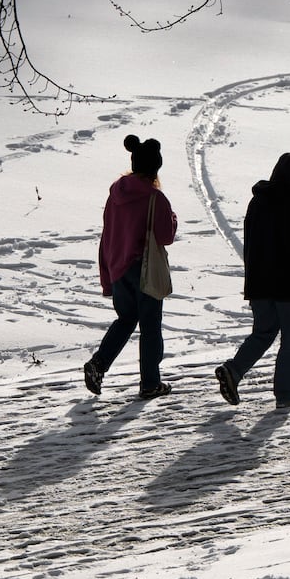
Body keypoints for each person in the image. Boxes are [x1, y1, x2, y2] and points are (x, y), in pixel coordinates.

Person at [214, 152, 290, 408]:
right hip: (289, 286)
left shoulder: (257, 202)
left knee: (263, 333)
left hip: (260, 284)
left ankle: (234, 370)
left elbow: (250, 245)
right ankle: (285, 395)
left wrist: (252, 282)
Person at [84, 134, 178, 400]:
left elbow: (108, 233)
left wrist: (107, 274)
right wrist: (172, 218)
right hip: (143, 269)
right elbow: (165, 236)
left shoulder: (115, 193)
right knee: (150, 325)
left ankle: (98, 364)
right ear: (155, 168)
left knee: (126, 319)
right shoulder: (155, 198)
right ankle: (150, 383)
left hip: (118, 267)